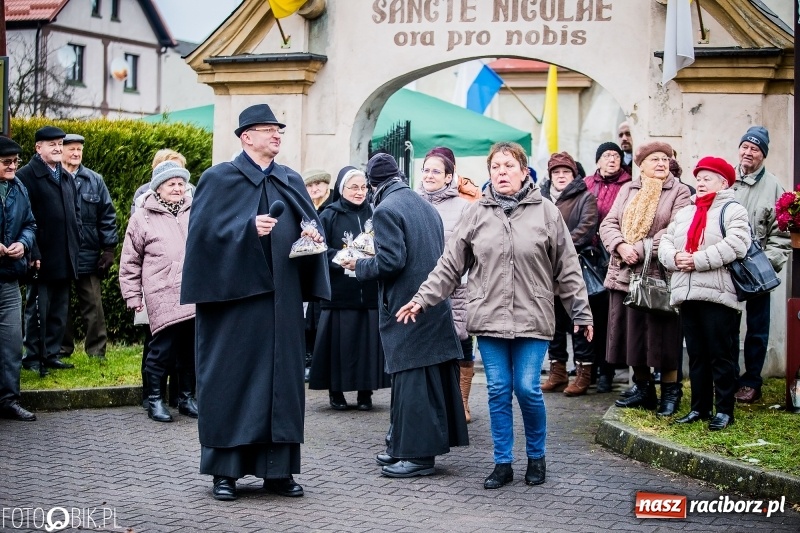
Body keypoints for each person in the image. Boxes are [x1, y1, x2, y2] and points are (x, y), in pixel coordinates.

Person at [397, 142, 592, 489]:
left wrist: (582, 312)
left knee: (527, 388)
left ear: (524, 171)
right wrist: (422, 299)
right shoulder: (477, 213)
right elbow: (450, 266)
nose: (501, 172)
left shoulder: (547, 211)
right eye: (495, 167)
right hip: (489, 318)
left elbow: (568, 266)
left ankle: (536, 455)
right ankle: (503, 463)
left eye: (508, 166)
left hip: (533, 317)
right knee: (499, 390)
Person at [181, 104, 330, 502]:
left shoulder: (290, 179)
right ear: (246, 136)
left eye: (278, 130)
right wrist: (246, 230)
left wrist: (312, 241)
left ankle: (278, 472)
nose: (276, 135)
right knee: (232, 382)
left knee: (282, 384)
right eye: (268, 130)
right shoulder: (218, 179)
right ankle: (224, 473)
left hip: (282, 305)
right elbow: (201, 241)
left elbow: (309, 227)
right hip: (234, 306)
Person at [340, 152, 468, 479]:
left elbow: (391, 261)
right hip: (433, 304)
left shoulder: (386, 209)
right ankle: (401, 445)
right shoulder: (424, 205)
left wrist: (359, 265)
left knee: (412, 383)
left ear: (374, 185)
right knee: (427, 380)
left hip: (406, 309)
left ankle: (418, 457)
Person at [599, 141, 692, 416]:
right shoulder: (628, 189)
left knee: (663, 333)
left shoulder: (680, 191)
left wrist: (638, 249)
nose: (661, 163)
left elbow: (675, 230)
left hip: (659, 275)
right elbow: (609, 223)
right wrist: (619, 246)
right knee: (631, 333)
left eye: (665, 159)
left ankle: (670, 392)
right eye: (655, 159)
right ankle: (643, 389)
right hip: (625, 273)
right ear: (642, 165)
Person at [659, 157, 750, 431]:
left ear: (724, 183)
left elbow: (737, 244)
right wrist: (675, 257)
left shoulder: (733, 210)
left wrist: (696, 260)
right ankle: (699, 408)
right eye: (698, 177)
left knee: (720, 355)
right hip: (688, 293)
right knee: (696, 354)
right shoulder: (686, 212)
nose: (700, 182)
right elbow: (664, 241)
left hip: (719, 294)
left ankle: (724, 410)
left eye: (707, 178)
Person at [119, 161, 197, 423]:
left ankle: (186, 398)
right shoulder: (142, 216)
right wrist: (132, 295)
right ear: (158, 188)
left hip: (192, 292)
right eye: (171, 184)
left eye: (180, 184)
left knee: (190, 350)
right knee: (161, 350)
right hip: (162, 292)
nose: (177, 188)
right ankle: (155, 400)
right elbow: (130, 261)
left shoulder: (194, 210)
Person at [309, 165, 390, 410]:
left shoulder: (375, 212)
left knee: (367, 347)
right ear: (342, 189)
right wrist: (341, 256)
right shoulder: (328, 214)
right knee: (339, 347)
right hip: (340, 292)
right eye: (353, 187)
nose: (359, 192)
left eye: (363, 187)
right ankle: (337, 392)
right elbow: (319, 248)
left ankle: (365, 393)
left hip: (368, 293)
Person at [731, 127, 791, 403]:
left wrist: (765, 266)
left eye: (755, 149)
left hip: (757, 268)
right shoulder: (727, 180)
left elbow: (782, 235)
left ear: (763, 155)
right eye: (745, 146)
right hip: (726, 264)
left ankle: (752, 380)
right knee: (727, 324)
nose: (748, 152)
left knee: (757, 327)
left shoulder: (774, 186)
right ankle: (728, 376)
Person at [416, 148, 474, 421]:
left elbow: (469, 248)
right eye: (426, 170)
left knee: (459, 341)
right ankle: (431, 402)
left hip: (455, 289)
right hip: (419, 287)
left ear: (449, 177)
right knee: (426, 345)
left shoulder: (464, 207)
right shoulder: (412, 203)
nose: (429, 175)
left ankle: (461, 402)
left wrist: (457, 276)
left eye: (436, 171)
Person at [17, 126, 80, 376]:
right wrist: (33, 252)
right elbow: (23, 218)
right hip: (40, 257)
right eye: (51, 144)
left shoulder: (64, 176)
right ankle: (33, 356)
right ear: (38, 148)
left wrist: (76, 242)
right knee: (37, 309)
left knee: (58, 309)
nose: (57, 148)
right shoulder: (26, 176)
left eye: (59, 144)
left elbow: (75, 213)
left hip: (65, 254)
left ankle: (51, 354)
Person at [539, 152, 598, 397]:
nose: (561, 176)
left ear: (574, 175)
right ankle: (558, 371)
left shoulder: (586, 198)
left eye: (566, 172)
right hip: (545, 269)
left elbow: (586, 229)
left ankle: (584, 373)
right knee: (552, 324)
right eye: (556, 172)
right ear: (550, 176)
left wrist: (557, 246)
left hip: (574, 267)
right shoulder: (539, 198)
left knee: (578, 320)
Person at [59, 134, 117, 360]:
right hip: (60, 254)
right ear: (61, 150)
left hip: (88, 253)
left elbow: (107, 215)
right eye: (71, 149)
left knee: (93, 306)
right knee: (60, 306)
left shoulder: (95, 180)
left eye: (79, 150)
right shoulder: (53, 178)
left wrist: (109, 249)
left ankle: (97, 352)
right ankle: (61, 350)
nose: (76, 153)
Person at [584, 142, 632, 393]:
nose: (612, 159)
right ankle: (587, 369)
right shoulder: (586, 183)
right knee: (587, 314)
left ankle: (606, 371)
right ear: (598, 160)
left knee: (608, 317)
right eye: (606, 155)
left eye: (616, 155)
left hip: (615, 256)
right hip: (588, 257)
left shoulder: (629, 184)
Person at [0, 137, 37, 421]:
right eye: (6, 162)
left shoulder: (19, 188)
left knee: (12, 342)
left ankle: (9, 400)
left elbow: (30, 223)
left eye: (15, 162)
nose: (13, 166)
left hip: (10, 278)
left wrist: (24, 244)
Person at [303, 168, 333, 381]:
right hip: (310, 267)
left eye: (318, 185)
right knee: (309, 318)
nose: (315, 189)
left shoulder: (328, 208)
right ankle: (308, 358)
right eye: (310, 186)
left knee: (319, 317)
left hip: (328, 267)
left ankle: (314, 359)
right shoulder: (308, 207)